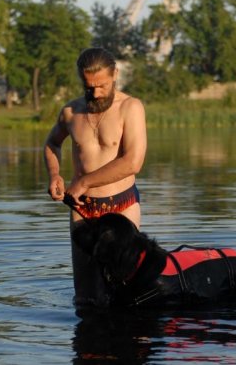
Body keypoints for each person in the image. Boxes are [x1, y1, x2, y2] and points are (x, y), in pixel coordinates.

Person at [43, 47, 147, 306]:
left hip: (122, 208)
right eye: (89, 87)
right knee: (86, 297)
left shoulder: (131, 107)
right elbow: (51, 144)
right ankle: (88, 345)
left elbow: (133, 162)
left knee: (126, 292)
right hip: (83, 210)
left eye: (102, 85)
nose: (96, 93)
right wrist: (55, 174)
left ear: (115, 75)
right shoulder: (71, 112)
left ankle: (128, 345)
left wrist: (84, 181)